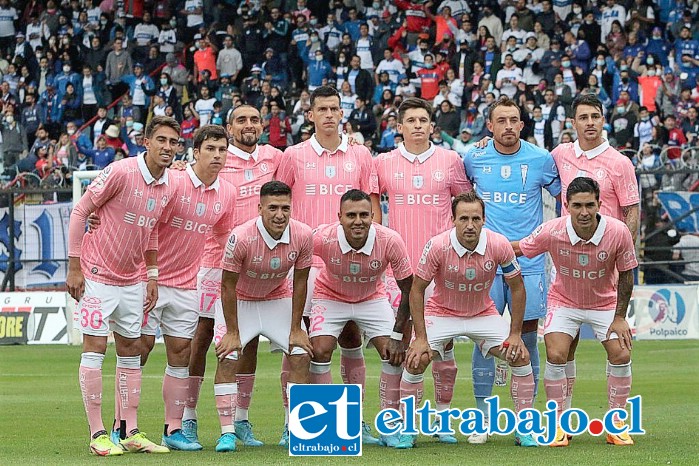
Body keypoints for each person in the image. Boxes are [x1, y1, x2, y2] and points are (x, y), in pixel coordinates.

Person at [66, 116, 182, 456]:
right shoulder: (120, 172)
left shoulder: (170, 185)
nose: (167, 147)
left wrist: (152, 275)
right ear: (146, 141)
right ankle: (97, 433)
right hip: (97, 275)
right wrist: (74, 266)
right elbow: (81, 211)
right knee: (95, 348)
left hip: (132, 280)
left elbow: (153, 230)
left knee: (132, 350)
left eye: (173, 142)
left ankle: (130, 431)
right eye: (161, 140)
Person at [276, 85, 378, 444]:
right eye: (323, 109)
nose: (330, 115)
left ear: (342, 113)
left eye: (335, 109)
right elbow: (278, 203)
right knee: (303, 344)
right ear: (311, 115)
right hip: (304, 266)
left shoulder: (361, 156)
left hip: (350, 265)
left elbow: (373, 209)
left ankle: (355, 419)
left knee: (352, 339)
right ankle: (297, 421)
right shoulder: (293, 155)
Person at [126, 125, 235, 451]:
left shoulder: (227, 193)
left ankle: (172, 430)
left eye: (222, 149)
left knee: (180, 355)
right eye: (211, 149)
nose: (217, 155)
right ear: (196, 151)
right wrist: (151, 274)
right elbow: (149, 225)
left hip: (188, 286)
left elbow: (222, 237)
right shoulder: (172, 182)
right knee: (139, 350)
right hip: (149, 280)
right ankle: (124, 427)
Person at [370, 97, 472, 444]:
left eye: (422, 120)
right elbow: (371, 205)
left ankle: (442, 419)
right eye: (409, 120)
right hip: (398, 273)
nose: (416, 125)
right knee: (394, 347)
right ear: (399, 126)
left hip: (442, 273)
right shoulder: (383, 162)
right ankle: (392, 421)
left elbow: (466, 208)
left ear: (432, 126)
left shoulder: (450, 161)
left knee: (442, 349)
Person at [400, 191, 537, 449]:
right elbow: (416, 289)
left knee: (520, 356)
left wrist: (515, 334)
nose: (470, 225)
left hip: (482, 314)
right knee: (416, 360)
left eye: (476, 218)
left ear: (484, 219)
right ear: (453, 219)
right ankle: (407, 429)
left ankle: (524, 429)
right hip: (441, 313)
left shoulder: (499, 244)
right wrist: (419, 338)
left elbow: (517, 287)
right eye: (463, 218)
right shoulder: (437, 246)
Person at [462, 96, 561, 444]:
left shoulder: (540, 159)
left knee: (529, 337)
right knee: (484, 336)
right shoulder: (473, 158)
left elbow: (563, 198)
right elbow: (461, 202)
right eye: (500, 120)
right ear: (489, 126)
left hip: (528, 264)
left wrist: (555, 238)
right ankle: (482, 420)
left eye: (513, 120)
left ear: (522, 125)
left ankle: (525, 420)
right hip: (485, 264)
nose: (507, 126)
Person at [184, 105, 283, 448]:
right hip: (213, 261)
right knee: (203, 335)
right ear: (229, 127)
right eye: (241, 120)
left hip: (257, 265)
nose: (249, 125)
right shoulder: (218, 158)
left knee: (249, 340)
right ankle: (187, 418)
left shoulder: (274, 158)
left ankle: (240, 419)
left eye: (255, 119)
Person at [513, 176, 637, 447]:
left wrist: (619, 317)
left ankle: (616, 423)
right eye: (577, 205)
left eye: (590, 205)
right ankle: (559, 423)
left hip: (605, 303)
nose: (584, 212)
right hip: (564, 301)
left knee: (621, 352)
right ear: (566, 205)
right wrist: (482, 248)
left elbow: (627, 274)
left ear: (599, 204)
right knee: (557, 353)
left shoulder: (618, 231)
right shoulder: (552, 229)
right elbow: (520, 248)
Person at [550, 93, 640, 416]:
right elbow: (530, 163)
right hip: (568, 266)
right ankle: (564, 417)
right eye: (583, 117)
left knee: (616, 347)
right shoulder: (560, 155)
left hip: (607, 268)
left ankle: (617, 420)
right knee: (564, 346)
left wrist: (622, 254)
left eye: (595, 116)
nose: (590, 123)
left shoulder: (620, 163)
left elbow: (632, 211)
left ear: (604, 120)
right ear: (572, 123)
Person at [212, 181, 314, 453]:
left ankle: (293, 430)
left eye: (285, 208)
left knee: (301, 353)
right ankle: (228, 433)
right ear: (260, 209)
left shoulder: (303, 234)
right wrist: (232, 332)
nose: (279, 214)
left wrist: (297, 327)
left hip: (276, 299)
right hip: (240, 301)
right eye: (272, 208)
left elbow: (301, 282)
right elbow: (227, 286)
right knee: (228, 356)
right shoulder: (241, 237)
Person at [309, 189, 413, 446]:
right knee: (320, 351)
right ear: (339, 217)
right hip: (330, 296)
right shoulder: (322, 238)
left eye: (364, 215)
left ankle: (390, 426)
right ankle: (333, 426)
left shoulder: (390, 240)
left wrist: (399, 335)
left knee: (393, 353)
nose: (358, 221)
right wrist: (299, 319)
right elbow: (298, 266)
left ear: (374, 216)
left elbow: (409, 288)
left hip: (371, 298)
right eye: (351, 215)